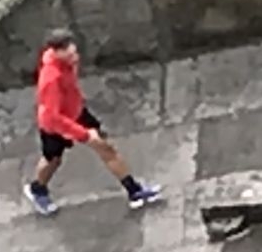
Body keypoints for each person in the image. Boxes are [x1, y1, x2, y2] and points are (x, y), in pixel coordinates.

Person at [23, 30, 162, 216]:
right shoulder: (51, 79)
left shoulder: (68, 61)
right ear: (56, 52)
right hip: (55, 126)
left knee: (106, 148)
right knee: (53, 160)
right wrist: (83, 134)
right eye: (67, 51)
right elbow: (51, 117)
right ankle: (37, 189)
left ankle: (134, 191)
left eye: (73, 49)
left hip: (76, 112)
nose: (73, 55)